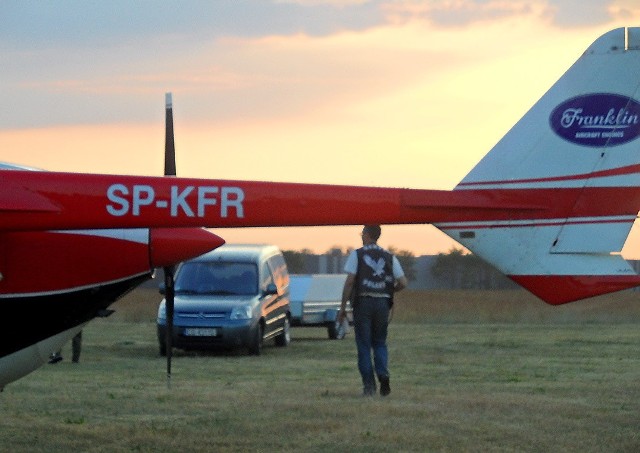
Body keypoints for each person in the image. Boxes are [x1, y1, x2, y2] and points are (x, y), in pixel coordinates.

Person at [338, 225, 408, 397]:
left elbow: (349, 282)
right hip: (382, 304)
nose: (361, 236)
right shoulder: (389, 256)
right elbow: (403, 282)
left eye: (362, 233)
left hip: (363, 303)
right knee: (379, 343)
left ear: (367, 235)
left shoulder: (358, 254)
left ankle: (369, 387)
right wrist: (389, 290)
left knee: (363, 345)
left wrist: (343, 307)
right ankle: (383, 374)